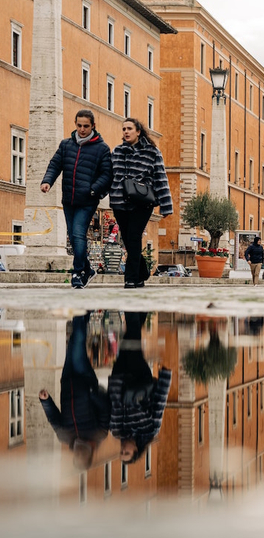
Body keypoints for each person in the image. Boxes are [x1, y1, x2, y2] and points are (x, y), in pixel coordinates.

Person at [41, 109, 113, 289]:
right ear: (75, 124)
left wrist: (93, 190)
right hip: (69, 200)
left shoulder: (102, 149)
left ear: (93, 126)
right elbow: (55, 164)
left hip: (87, 200)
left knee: (78, 234)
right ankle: (88, 270)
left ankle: (78, 272)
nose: (82, 129)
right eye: (79, 125)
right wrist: (47, 181)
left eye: (86, 126)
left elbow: (107, 174)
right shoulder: (66, 145)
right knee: (73, 238)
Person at [39, 314, 109, 470]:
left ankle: (85, 311)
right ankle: (80, 308)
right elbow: (105, 409)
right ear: (90, 454)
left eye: (76, 458)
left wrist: (46, 401)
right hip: (84, 379)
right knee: (77, 340)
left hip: (67, 380)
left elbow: (54, 419)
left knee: (73, 343)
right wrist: (91, 393)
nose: (78, 455)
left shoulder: (65, 437)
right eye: (82, 457)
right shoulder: (99, 434)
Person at [109, 118, 173, 289]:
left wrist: (166, 205)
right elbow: (108, 176)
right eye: (123, 129)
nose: (126, 132)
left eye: (129, 128)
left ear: (138, 131)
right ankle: (142, 272)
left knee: (134, 237)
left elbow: (161, 178)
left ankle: (130, 278)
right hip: (119, 201)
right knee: (129, 242)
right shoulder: (117, 151)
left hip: (142, 203)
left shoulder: (152, 152)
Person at [108, 312, 171, 464]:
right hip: (139, 378)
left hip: (118, 377)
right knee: (132, 339)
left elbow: (108, 404)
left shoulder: (116, 431)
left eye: (121, 452)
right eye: (126, 452)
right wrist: (165, 376)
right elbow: (159, 404)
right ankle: (132, 302)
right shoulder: (150, 430)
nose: (122, 449)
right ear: (136, 450)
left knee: (130, 337)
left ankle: (140, 309)